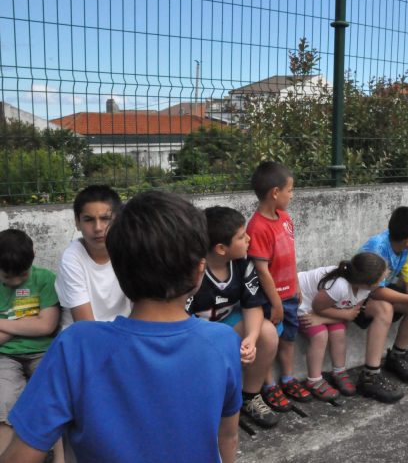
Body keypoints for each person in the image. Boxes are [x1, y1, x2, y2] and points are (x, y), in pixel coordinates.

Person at [1, 191, 242, 462]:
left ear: (118, 268)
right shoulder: (223, 341)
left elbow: (18, 456)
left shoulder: (76, 346)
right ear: (200, 271)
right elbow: (228, 436)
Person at [186, 206, 280, 429]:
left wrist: (251, 337)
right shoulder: (192, 270)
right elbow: (182, 318)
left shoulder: (242, 264)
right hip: (197, 333)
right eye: (241, 236)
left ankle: (250, 396)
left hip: (228, 324)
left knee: (267, 333)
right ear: (220, 248)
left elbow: (252, 305)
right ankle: (205, 404)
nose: (249, 239)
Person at [246, 161, 310, 411]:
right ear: (275, 192)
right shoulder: (257, 227)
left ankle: (287, 378)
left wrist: (295, 285)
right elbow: (262, 270)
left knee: (289, 339)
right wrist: (275, 303)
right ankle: (269, 384)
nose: (292, 195)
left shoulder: (285, 218)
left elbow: (291, 254)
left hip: (290, 294)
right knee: (269, 341)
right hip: (271, 300)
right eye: (290, 190)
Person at [0, 230, 63, 462]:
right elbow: (37, 324)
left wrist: (3, 324)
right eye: (7, 278)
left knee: (50, 393)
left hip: (42, 352)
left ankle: (59, 457)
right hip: (5, 358)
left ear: (32, 259)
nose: (15, 282)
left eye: (22, 275)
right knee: (3, 399)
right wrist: (28, 322)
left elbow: (46, 326)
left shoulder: (45, 279)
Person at [360, 206, 408, 384]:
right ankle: (369, 375)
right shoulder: (378, 247)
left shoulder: (406, 249)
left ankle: (396, 356)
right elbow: (375, 290)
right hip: (356, 297)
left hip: (377, 291)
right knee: (385, 309)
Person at [297, 253, 387, 400]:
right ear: (367, 282)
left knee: (338, 332)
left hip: (328, 309)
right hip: (303, 304)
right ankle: (313, 380)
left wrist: (325, 318)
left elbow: (351, 313)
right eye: (381, 279)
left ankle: (339, 371)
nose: (383, 281)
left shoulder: (365, 289)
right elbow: (317, 307)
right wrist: (332, 317)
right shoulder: (339, 286)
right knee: (320, 335)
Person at [55, 185, 131, 329]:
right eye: (89, 219)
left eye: (105, 218)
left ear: (118, 220)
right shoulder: (72, 258)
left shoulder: (130, 252)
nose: (98, 228)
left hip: (124, 334)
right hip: (82, 337)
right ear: (77, 223)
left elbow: (143, 309)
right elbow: (85, 325)